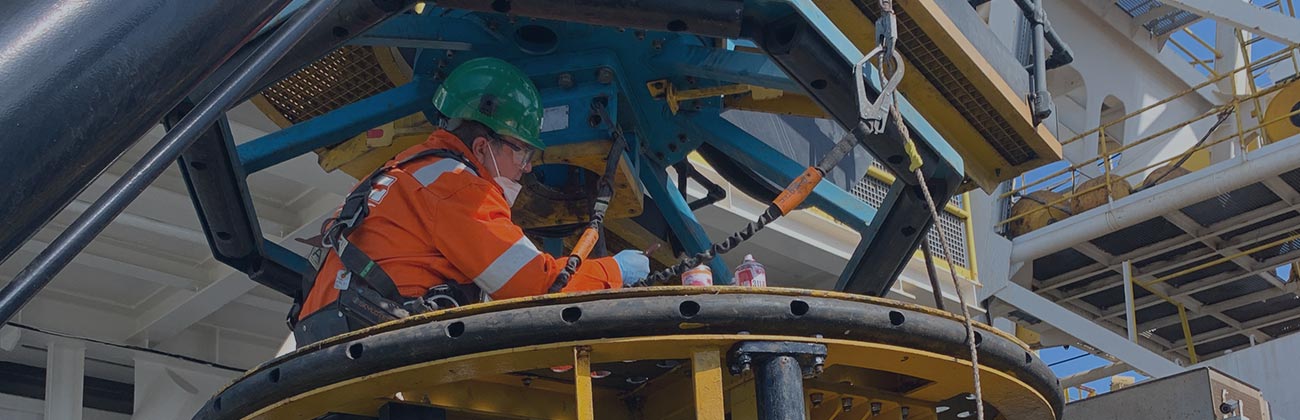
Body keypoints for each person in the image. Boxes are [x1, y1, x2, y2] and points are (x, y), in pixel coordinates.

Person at [290, 58, 649, 344]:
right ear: (482, 147)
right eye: (522, 153)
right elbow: (540, 289)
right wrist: (615, 271)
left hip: (327, 340)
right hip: (377, 346)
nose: (525, 170)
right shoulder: (457, 188)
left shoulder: (401, 172)